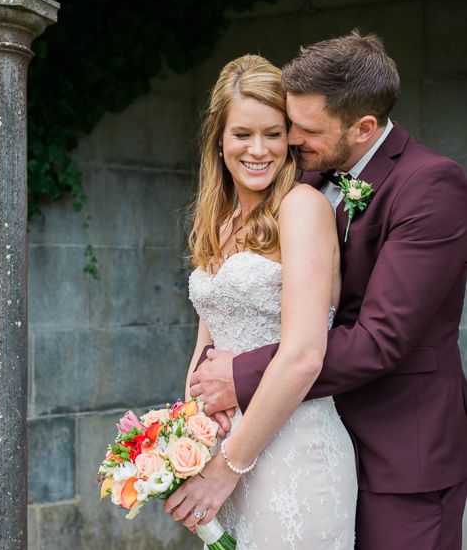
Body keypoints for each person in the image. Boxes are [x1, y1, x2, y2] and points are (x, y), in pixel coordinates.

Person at [190, 31, 467, 549]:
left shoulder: (432, 185)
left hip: (400, 453)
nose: (291, 139)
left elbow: (380, 339)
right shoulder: (311, 181)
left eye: (305, 128)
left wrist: (241, 373)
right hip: (302, 431)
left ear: (363, 128)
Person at [164, 54, 357, 548]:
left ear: (291, 138)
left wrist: (228, 467)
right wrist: (186, 439)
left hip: (291, 449)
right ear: (219, 139)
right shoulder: (219, 220)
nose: (258, 150)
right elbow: (207, 342)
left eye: (273, 133)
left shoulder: (303, 209)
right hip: (223, 449)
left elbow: (303, 357)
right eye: (242, 134)